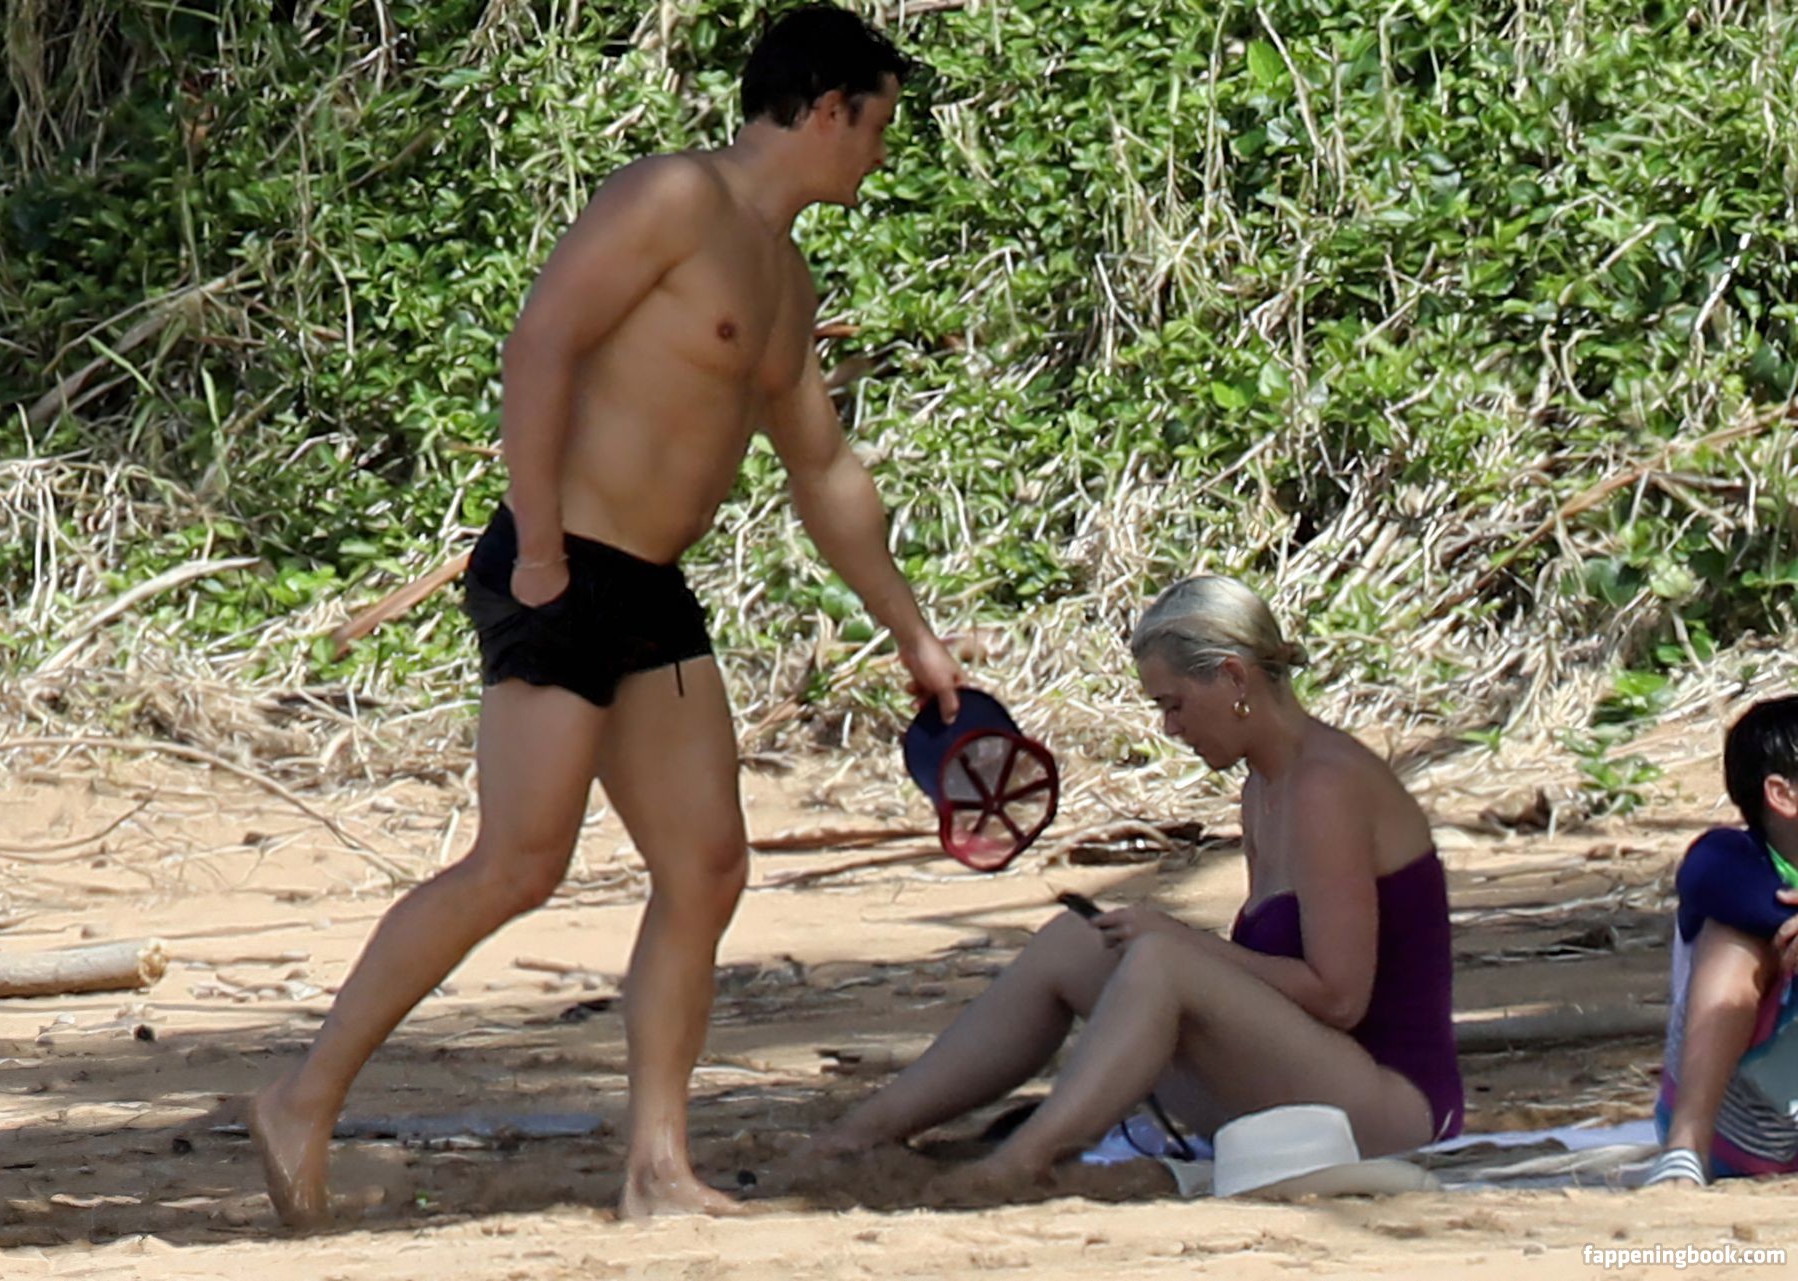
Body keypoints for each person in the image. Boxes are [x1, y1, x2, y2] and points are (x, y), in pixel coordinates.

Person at [248, 3, 964, 1227]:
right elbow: (542, 344)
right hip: (564, 562)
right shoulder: (675, 197)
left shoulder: (785, 279)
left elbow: (823, 470)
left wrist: (911, 631)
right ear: (827, 108)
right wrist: (536, 546)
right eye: (878, 124)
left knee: (708, 865)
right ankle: (301, 1098)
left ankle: (657, 1169)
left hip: (649, 590)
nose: (881, 152)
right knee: (521, 862)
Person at [811, 574, 1463, 1192]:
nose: (1170, 728)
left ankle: (1024, 1160)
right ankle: (856, 1135)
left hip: (1390, 1109)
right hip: (1306, 1079)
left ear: (1234, 677)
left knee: (1160, 960)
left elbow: (1339, 997)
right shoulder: (1263, 788)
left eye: (1174, 705)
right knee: (1074, 941)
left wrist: (1179, 940)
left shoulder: (1326, 786)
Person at [1645, 695, 1798, 1186]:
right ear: (1783, 795)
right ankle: (1684, 1148)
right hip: (1734, 1136)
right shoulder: (1730, 860)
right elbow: (1708, 879)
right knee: (1735, 939)